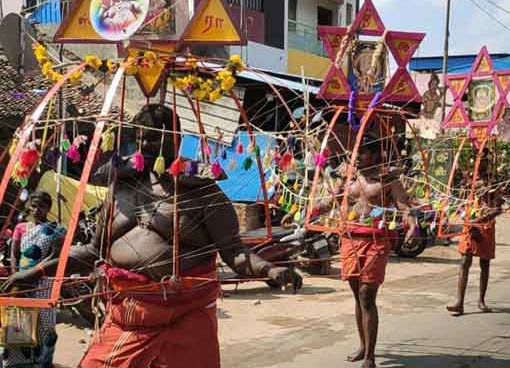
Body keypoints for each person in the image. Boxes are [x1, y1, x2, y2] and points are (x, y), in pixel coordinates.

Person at [2, 104, 295, 368]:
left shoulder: (203, 193)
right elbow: (93, 252)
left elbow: (235, 253)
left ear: (176, 139)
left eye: (154, 138)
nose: (145, 146)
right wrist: (37, 273)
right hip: (127, 315)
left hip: (184, 316)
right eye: (140, 139)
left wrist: (271, 269)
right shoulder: (121, 189)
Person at [332, 134, 416, 368]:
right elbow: (331, 201)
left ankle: (370, 356)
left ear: (375, 155)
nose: (357, 158)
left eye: (363, 154)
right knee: (357, 295)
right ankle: (363, 345)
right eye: (355, 154)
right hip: (350, 239)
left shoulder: (388, 180)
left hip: (376, 240)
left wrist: (411, 221)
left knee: (367, 294)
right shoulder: (347, 177)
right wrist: (306, 211)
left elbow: (403, 204)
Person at [2, 191, 65, 368]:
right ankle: (17, 363)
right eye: (34, 206)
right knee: (18, 323)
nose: (37, 210)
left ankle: (42, 362)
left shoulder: (56, 229)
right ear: (29, 206)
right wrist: (17, 277)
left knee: (45, 325)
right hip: (20, 282)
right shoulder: (21, 227)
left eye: (42, 207)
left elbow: (56, 256)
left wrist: (34, 273)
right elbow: (14, 254)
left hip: (43, 282)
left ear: (48, 209)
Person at [447, 148, 504, 315]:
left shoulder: (493, 183)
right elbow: (459, 204)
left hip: (485, 226)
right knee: (464, 262)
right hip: (469, 226)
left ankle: (481, 300)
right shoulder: (467, 183)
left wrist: (479, 220)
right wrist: (464, 216)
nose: (480, 164)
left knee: (484, 263)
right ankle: (459, 302)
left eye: (484, 160)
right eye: (477, 159)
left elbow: (498, 208)